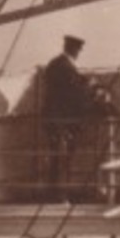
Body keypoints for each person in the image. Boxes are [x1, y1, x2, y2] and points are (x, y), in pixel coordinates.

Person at [43, 35, 96, 184]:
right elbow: (72, 90)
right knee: (62, 157)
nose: (79, 53)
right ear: (73, 49)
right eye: (78, 50)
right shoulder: (65, 66)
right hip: (62, 120)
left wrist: (83, 80)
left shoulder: (56, 64)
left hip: (54, 118)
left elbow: (70, 82)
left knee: (58, 156)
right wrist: (89, 87)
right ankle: (59, 194)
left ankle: (56, 193)